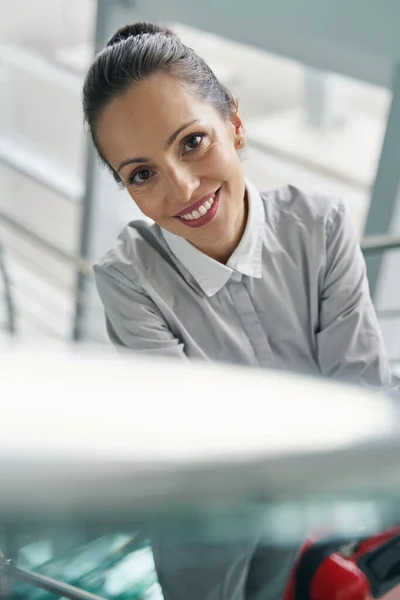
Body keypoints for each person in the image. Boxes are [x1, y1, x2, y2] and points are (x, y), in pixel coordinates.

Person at [82, 21, 393, 600]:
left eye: (192, 141)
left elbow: (363, 393)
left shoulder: (320, 226)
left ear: (236, 123)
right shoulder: (128, 279)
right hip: (204, 525)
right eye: (143, 174)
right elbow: (194, 444)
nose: (181, 190)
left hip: (298, 505)